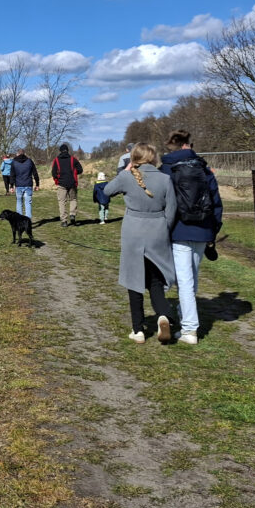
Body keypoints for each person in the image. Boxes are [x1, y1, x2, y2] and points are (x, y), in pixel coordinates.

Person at [104, 143, 177, 344]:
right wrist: (164, 229)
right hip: (157, 230)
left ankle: (138, 329)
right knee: (156, 279)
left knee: (134, 280)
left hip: (133, 232)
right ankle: (163, 314)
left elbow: (107, 191)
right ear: (154, 158)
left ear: (133, 157)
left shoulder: (127, 177)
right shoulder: (165, 179)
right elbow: (172, 210)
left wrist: (126, 171)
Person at [159, 130, 223, 346]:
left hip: (178, 230)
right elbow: (216, 202)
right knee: (191, 279)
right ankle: (183, 315)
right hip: (203, 230)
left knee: (184, 281)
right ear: (187, 145)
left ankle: (189, 329)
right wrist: (213, 231)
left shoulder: (166, 169)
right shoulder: (204, 169)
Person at [51, 143, 83, 227]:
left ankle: (64, 221)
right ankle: (72, 214)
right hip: (72, 183)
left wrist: (57, 180)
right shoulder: (73, 159)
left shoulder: (56, 160)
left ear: (60, 151)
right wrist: (74, 172)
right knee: (73, 199)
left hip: (61, 183)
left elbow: (53, 173)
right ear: (67, 150)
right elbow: (80, 170)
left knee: (62, 202)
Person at [10, 148, 39, 219]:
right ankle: (28, 221)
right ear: (24, 153)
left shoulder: (14, 162)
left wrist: (11, 186)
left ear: (17, 153)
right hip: (28, 184)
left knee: (19, 203)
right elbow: (35, 173)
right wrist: (37, 184)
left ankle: (19, 221)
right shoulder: (29, 161)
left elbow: (12, 175)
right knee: (28, 203)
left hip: (19, 185)